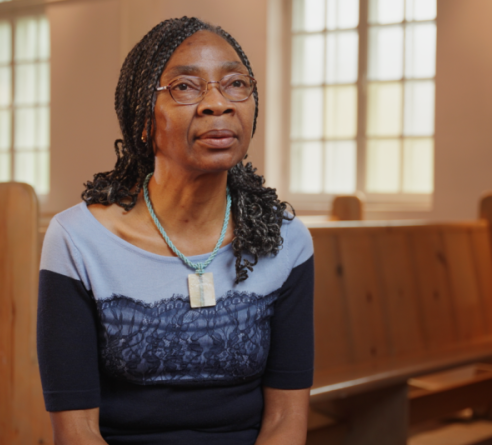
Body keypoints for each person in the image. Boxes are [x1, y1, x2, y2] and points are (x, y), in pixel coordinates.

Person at [37, 16, 314, 445]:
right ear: (142, 118)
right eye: (185, 86)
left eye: (236, 84)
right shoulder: (78, 239)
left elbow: (285, 419)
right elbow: (77, 432)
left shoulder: (287, 240)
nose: (217, 104)